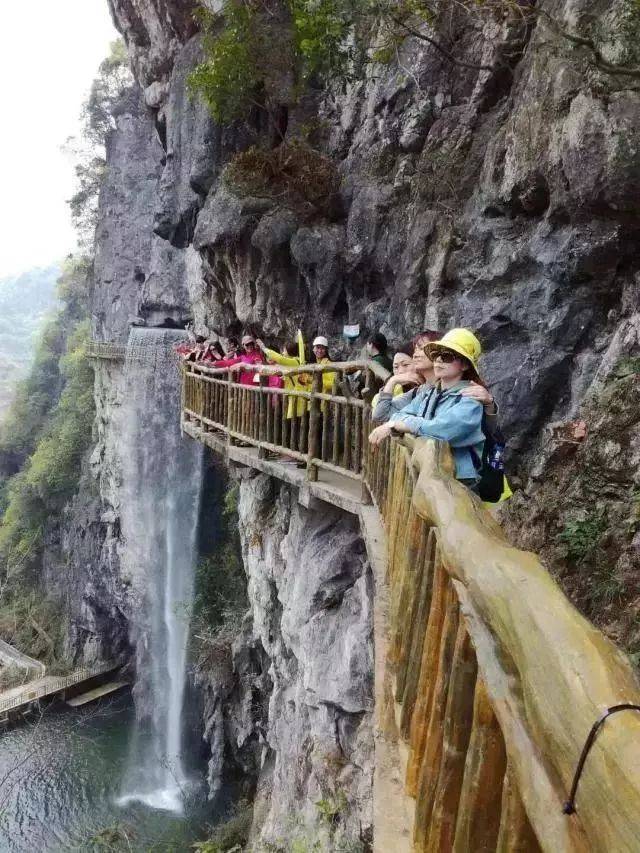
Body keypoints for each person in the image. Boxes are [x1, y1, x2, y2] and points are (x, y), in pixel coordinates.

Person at [368, 328, 488, 487]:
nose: (438, 361)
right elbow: (395, 416)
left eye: (446, 357)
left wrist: (401, 424)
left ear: (465, 365)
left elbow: (442, 430)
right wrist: (396, 423)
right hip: (433, 475)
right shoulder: (429, 393)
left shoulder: (470, 399)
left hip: (459, 481)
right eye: (436, 355)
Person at [256, 339, 310, 419]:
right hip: (294, 395)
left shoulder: (294, 362)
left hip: (297, 397)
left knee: (296, 420)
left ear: (289, 351)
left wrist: (264, 348)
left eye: (284, 350)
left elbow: (280, 359)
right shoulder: (294, 362)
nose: (283, 353)